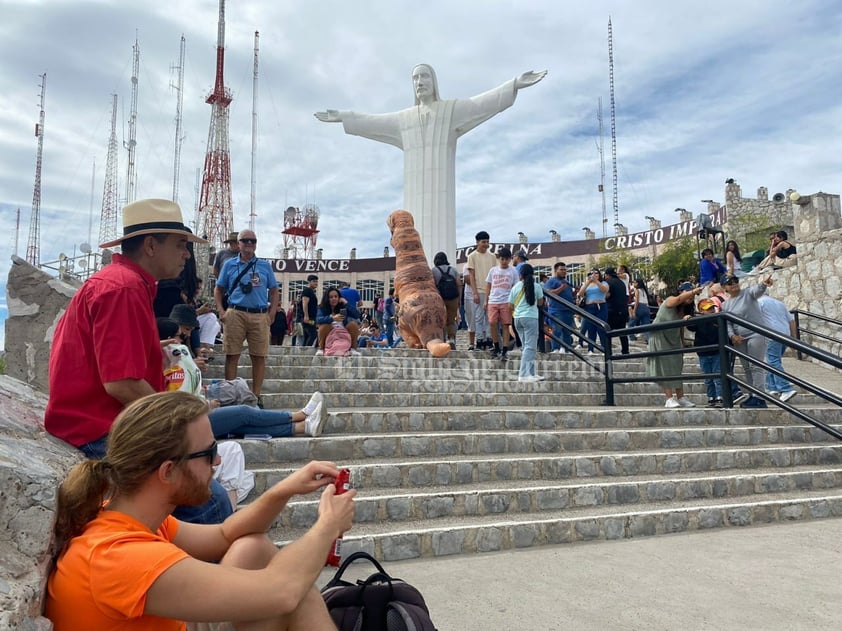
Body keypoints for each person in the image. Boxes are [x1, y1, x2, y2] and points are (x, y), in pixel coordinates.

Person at [45, 391, 356, 630]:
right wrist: (328, 525)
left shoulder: (126, 516)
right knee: (294, 592)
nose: (218, 462)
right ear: (167, 471)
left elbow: (225, 534)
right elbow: (283, 590)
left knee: (253, 547)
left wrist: (285, 488)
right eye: (210, 453)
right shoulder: (119, 558)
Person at [44, 198, 234, 525]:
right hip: (97, 429)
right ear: (150, 245)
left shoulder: (119, 281)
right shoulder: (124, 288)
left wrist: (148, 351)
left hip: (96, 422)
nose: (186, 254)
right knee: (210, 500)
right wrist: (179, 421)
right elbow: (121, 383)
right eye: (180, 245)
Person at [315, 63, 546, 261]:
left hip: (442, 197)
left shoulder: (450, 110)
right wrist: (343, 117)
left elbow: (481, 104)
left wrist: (513, 84)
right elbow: (372, 121)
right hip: (413, 192)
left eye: (424, 76)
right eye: (415, 78)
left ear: (434, 81)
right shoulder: (403, 119)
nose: (419, 81)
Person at [214, 229, 279, 407]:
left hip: (259, 314)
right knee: (232, 354)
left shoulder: (264, 266)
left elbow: (274, 291)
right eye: (246, 241)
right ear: (238, 244)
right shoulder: (229, 264)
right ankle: (230, 396)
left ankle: (255, 396)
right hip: (236, 312)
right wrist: (221, 311)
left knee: (259, 356)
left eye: (253, 241)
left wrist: (272, 313)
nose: (249, 244)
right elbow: (218, 288)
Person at [720, 274, 774, 408]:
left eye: (735, 280)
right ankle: (752, 394)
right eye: (729, 282)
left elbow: (758, 290)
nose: (733, 283)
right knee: (747, 368)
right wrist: (732, 336)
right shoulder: (725, 305)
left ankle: (760, 397)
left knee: (756, 365)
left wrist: (763, 284)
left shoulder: (747, 293)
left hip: (756, 334)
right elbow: (728, 323)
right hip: (740, 339)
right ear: (724, 287)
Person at [647, 281, 703, 408]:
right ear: (680, 291)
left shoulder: (685, 310)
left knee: (677, 366)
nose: (690, 296)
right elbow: (678, 299)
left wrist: (682, 342)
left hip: (674, 338)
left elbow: (681, 327)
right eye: (686, 292)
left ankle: (681, 396)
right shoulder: (671, 300)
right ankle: (669, 398)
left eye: (691, 294)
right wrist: (694, 291)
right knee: (665, 366)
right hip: (660, 336)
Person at [758, 293, 798, 402]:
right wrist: (793, 338)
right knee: (774, 360)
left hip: (771, 334)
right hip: (784, 334)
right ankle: (772, 387)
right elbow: (791, 321)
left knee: (773, 360)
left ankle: (785, 388)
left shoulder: (760, 303)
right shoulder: (780, 303)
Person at [509, 263, 544, 382]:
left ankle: (532, 373)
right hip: (531, 318)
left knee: (526, 347)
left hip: (517, 319)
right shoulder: (537, 286)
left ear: (521, 275)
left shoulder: (515, 287)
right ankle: (524, 375)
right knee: (531, 347)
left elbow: (510, 305)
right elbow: (540, 303)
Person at [485, 247, 520, 360]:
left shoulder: (513, 271)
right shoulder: (493, 270)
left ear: (510, 259)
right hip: (493, 300)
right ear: (498, 259)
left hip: (506, 301)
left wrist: (514, 302)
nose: (504, 261)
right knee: (492, 322)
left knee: (505, 325)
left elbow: (516, 287)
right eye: (502, 259)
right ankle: (496, 346)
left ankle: (504, 349)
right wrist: (486, 300)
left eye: (506, 259)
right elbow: (488, 285)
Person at [466, 231, 496, 350]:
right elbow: (471, 276)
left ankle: (489, 339)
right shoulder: (472, 256)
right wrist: (474, 292)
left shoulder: (493, 257)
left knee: (490, 317)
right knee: (478, 317)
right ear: (477, 242)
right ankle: (479, 340)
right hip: (479, 290)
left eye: (487, 242)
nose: (486, 244)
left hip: (491, 291)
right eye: (483, 242)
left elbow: (494, 274)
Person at [315, 287, 362, 356]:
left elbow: (357, 315)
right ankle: (321, 349)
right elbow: (318, 319)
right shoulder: (322, 307)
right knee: (323, 326)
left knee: (353, 325)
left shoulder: (343, 306)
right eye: (331, 297)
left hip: (343, 332)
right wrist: (332, 318)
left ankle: (353, 349)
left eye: (336, 296)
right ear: (327, 298)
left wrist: (346, 303)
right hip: (329, 331)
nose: (334, 299)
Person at [431, 251, 461, 349]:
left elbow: (432, 285)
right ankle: (451, 339)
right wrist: (459, 299)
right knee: (451, 321)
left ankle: (443, 340)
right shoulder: (453, 270)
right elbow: (459, 284)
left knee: (441, 320)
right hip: (453, 298)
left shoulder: (434, 271)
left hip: (440, 299)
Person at [543, 261, 575, 353]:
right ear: (556, 270)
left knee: (567, 331)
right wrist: (561, 288)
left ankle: (566, 348)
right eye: (561, 269)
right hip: (556, 310)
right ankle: (555, 348)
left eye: (565, 270)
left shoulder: (566, 281)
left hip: (568, 310)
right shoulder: (551, 281)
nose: (564, 271)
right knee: (556, 330)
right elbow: (548, 293)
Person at [577, 269, 609, 355]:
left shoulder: (603, 283)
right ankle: (590, 349)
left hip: (600, 306)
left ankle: (604, 348)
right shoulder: (587, 284)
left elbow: (604, 290)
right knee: (590, 328)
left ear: (599, 275)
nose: (594, 275)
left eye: (596, 273)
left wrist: (596, 281)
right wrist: (588, 282)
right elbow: (580, 293)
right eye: (592, 273)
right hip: (589, 307)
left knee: (601, 328)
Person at [603, 267, 630, 355]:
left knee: (608, 332)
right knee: (622, 332)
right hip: (623, 310)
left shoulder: (609, 283)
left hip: (612, 310)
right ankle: (625, 351)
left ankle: (608, 352)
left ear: (607, 275)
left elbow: (607, 295)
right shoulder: (621, 283)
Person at [628, 277, 652, 341]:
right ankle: (649, 339)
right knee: (646, 325)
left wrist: (634, 311)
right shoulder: (644, 290)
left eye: (635, 282)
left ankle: (632, 337)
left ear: (637, 283)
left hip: (640, 307)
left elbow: (637, 301)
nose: (633, 284)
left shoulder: (637, 290)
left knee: (631, 323)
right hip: (646, 307)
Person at [300, 275, 320, 347]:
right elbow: (304, 303)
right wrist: (306, 315)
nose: (316, 283)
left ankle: (303, 352)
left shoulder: (311, 292)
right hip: (309, 318)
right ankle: (307, 350)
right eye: (314, 281)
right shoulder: (307, 291)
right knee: (313, 335)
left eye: (316, 281)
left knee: (307, 336)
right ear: (309, 282)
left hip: (312, 317)